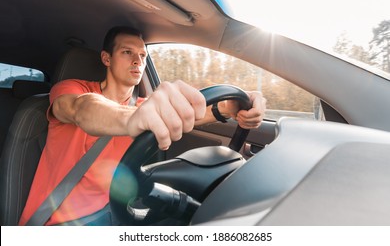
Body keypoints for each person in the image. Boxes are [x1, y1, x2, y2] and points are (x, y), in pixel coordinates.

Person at [19, 26, 266, 226]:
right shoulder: (73, 89)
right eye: (127, 52)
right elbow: (80, 109)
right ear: (106, 58)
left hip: (119, 209)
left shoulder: (144, 105)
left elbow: (193, 114)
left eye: (143, 55)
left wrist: (233, 106)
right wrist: (131, 119)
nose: (138, 61)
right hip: (64, 222)